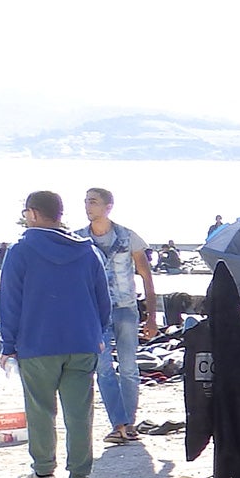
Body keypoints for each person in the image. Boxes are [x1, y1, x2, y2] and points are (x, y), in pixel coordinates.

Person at [0, 191, 111, 478]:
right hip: (82, 341)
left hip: (37, 343)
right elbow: (104, 299)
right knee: (79, 411)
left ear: (33, 213)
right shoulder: (87, 251)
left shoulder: (21, 250)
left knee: (40, 410)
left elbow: (10, 301)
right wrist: (97, 334)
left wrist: (7, 345)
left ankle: (44, 472)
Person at [78, 187, 156, 446]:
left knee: (129, 367)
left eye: (94, 202)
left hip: (125, 308)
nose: (88, 207)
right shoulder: (79, 240)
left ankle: (128, 423)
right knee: (103, 369)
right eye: (86, 202)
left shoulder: (127, 236)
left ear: (108, 206)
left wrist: (152, 317)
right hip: (94, 312)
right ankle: (119, 424)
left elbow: (146, 276)